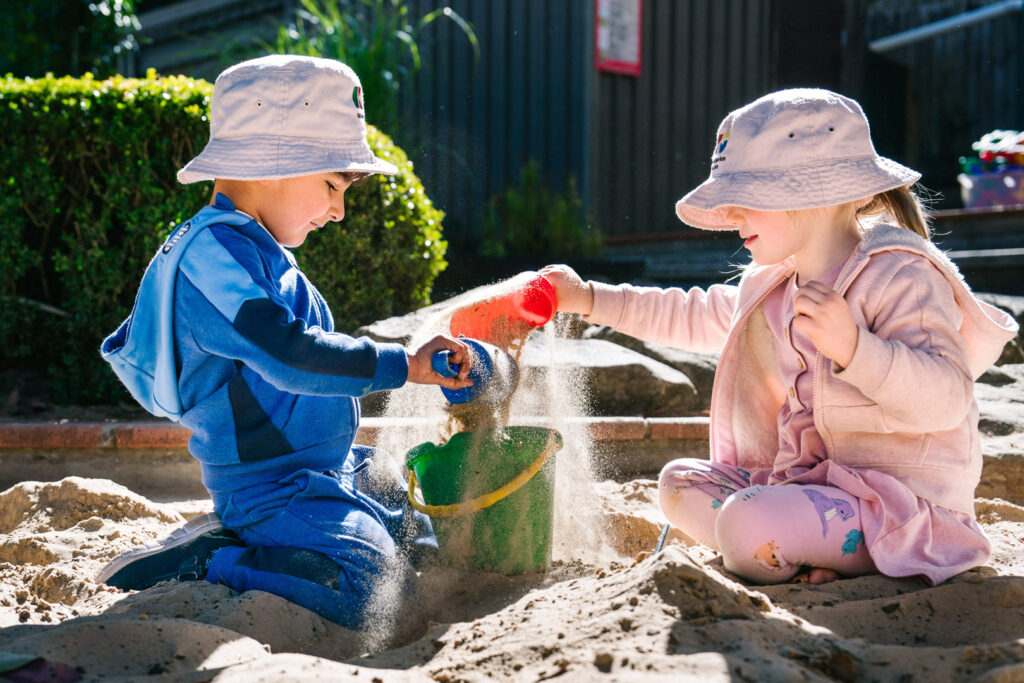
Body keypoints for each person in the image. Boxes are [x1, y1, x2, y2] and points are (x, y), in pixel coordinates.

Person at [542, 88, 1018, 586]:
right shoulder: (774, 286)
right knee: (680, 484)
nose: (729, 214)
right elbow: (690, 313)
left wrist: (856, 348)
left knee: (747, 522)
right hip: (810, 488)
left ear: (812, 193)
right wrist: (586, 297)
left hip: (896, 506)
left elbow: (947, 397)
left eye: (744, 197)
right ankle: (812, 551)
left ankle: (820, 548)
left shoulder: (900, 277)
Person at [96, 55, 473, 628]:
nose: (339, 211)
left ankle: (299, 535)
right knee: (367, 578)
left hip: (329, 467)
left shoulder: (257, 249)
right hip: (271, 490)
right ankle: (212, 559)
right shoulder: (211, 260)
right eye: (330, 184)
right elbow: (290, 356)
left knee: (412, 521)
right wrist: (406, 366)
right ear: (270, 163)